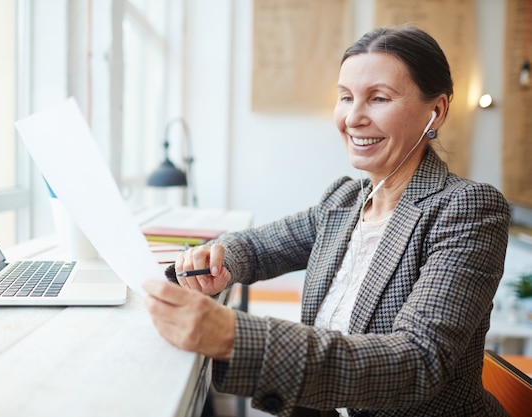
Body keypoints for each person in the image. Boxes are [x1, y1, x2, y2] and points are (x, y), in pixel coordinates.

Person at [143, 25, 511, 417]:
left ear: (435, 111)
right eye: (346, 97)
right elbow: (260, 246)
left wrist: (235, 336)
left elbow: (417, 361)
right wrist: (215, 259)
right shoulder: (345, 200)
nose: (353, 118)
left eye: (379, 98)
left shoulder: (468, 208)